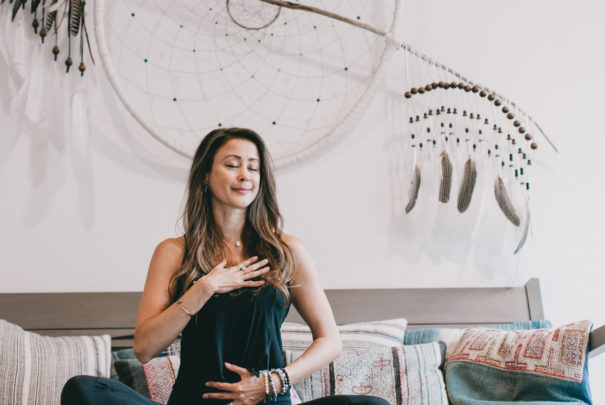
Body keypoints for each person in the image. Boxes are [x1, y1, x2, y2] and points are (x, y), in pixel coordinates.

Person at [62, 128, 388, 405]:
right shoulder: (174, 252)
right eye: (232, 165)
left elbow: (330, 341)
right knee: (83, 390)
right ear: (206, 175)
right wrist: (204, 288)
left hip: (266, 399)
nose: (245, 175)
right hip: (196, 401)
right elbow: (145, 348)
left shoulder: (287, 250)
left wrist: (271, 383)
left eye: (253, 167)